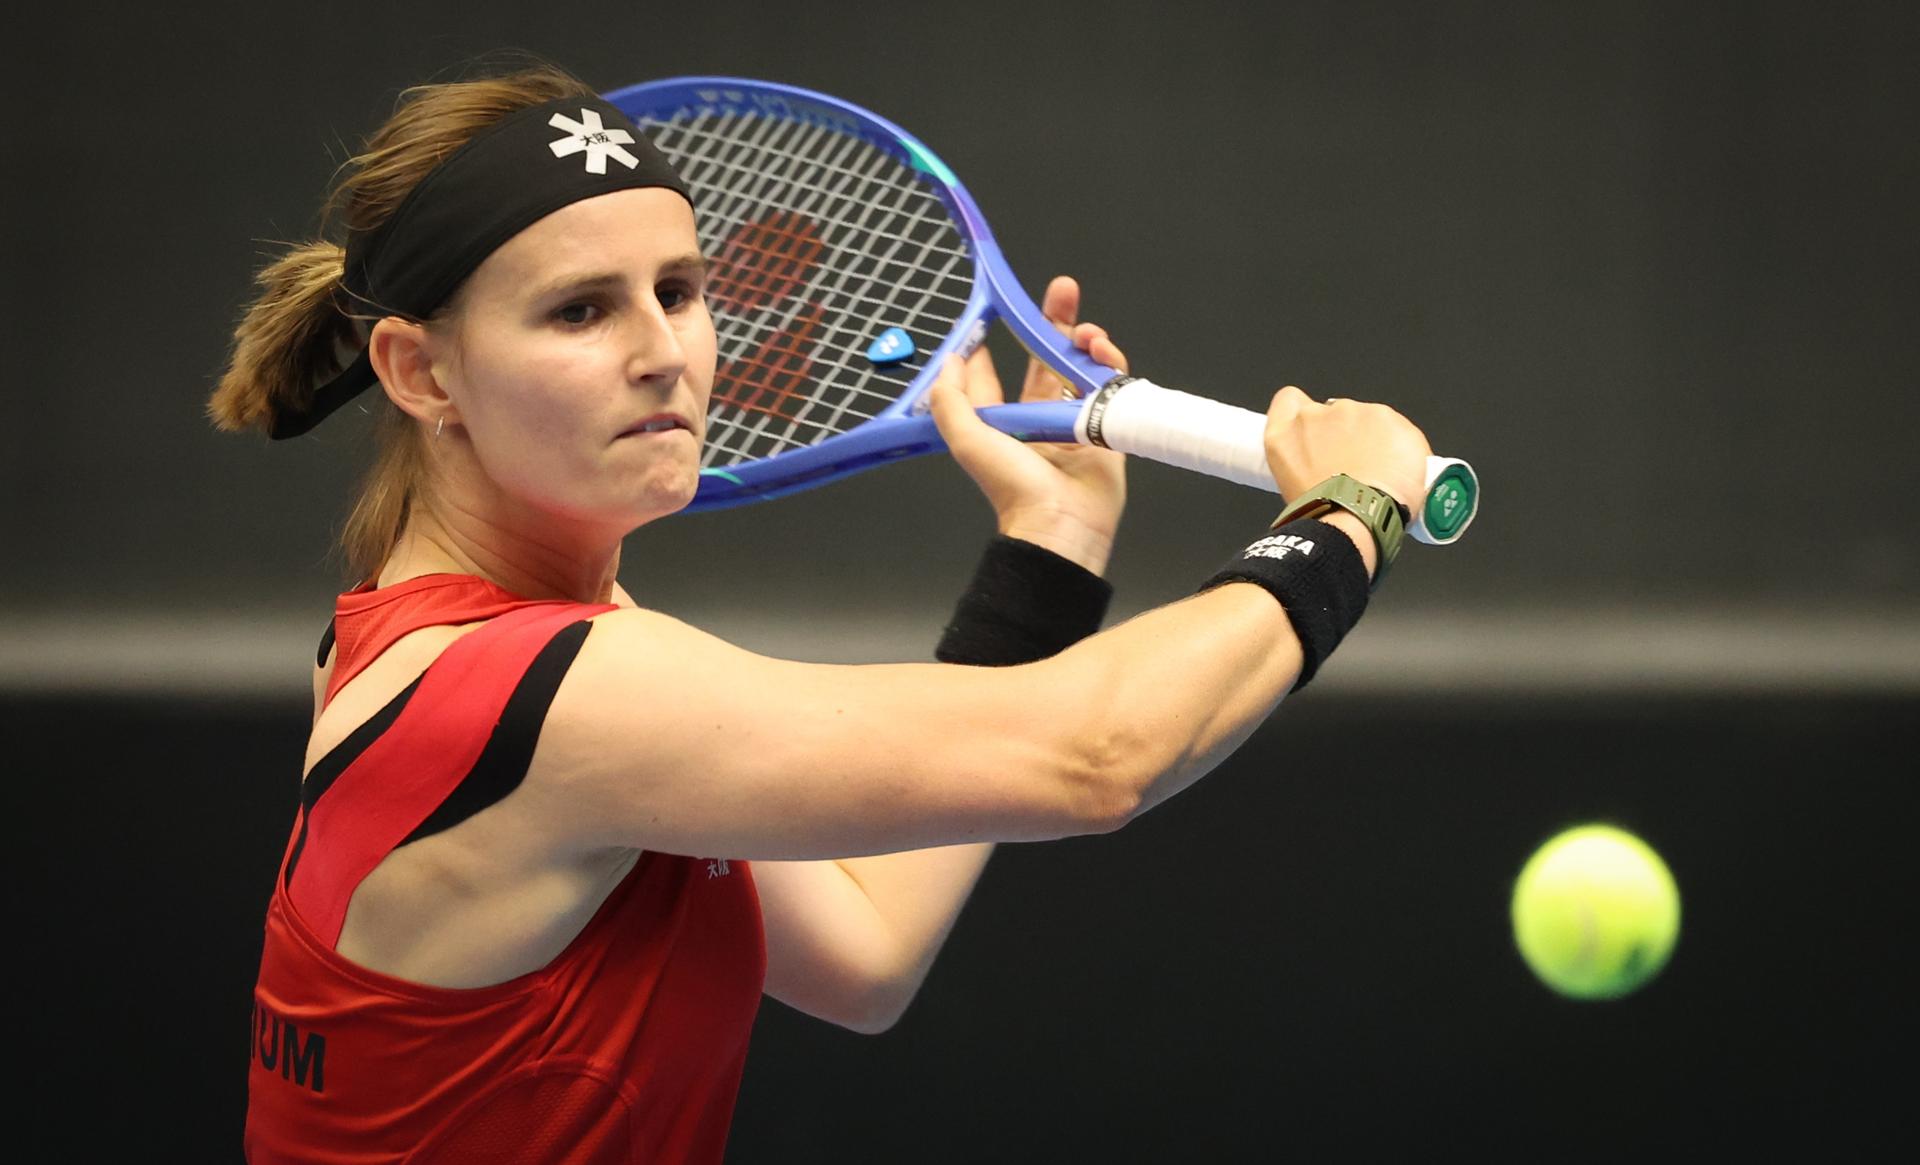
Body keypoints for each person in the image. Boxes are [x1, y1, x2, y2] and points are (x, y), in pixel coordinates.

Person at [212, 61, 1431, 1165]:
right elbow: (1097, 756)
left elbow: (863, 952)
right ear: (422, 373)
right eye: (580, 310)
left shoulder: (441, 645)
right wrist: (1347, 516)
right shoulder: (536, 692)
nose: (665, 352)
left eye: (680, 290)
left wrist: (1049, 556)